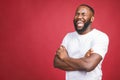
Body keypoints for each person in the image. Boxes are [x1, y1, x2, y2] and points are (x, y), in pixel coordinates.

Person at [53, 4, 109, 80]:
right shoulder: (68, 37)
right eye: (77, 14)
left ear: (92, 19)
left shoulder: (100, 36)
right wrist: (83, 60)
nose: (79, 17)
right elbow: (56, 63)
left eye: (83, 14)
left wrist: (65, 58)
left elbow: (89, 65)